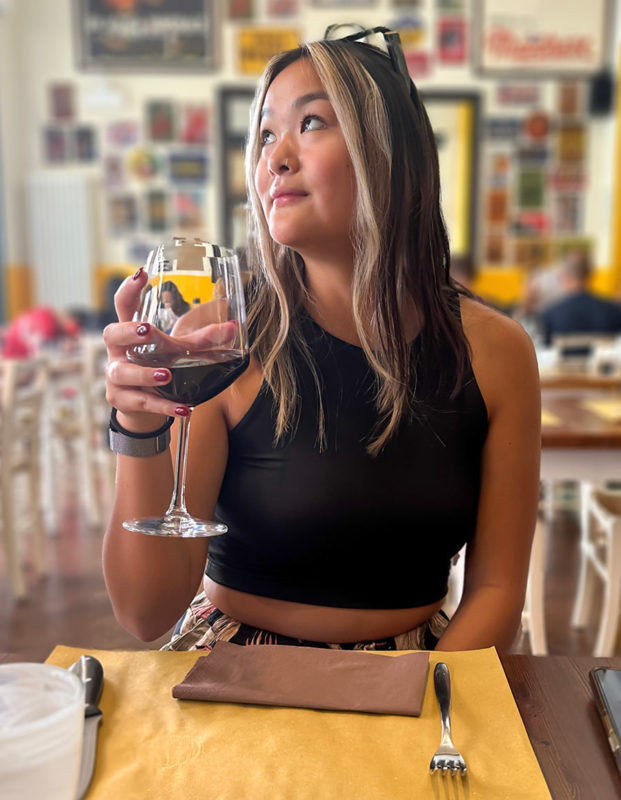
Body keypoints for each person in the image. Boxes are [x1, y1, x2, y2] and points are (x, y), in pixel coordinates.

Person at [102, 26, 541, 653]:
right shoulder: (217, 340)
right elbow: (146, 612)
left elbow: (498, 590)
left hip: (416, 671)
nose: (276, 158)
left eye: (310, 124)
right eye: (264, 136)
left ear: (392, 153)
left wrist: (424, 710)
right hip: (234, 665)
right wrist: (136, 427)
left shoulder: (497, 352)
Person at [537, 250, 621, 346]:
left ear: (564, 275)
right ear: (590, 274)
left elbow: (546, 349)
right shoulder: (613, 311)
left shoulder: (550, 314)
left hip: (564, 361)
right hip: (604, 361)